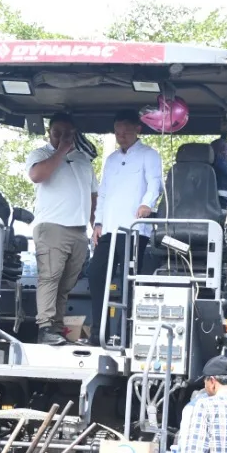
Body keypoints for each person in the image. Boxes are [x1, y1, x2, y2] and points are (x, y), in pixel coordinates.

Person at [88, 110, 163, 345]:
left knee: (130, 281)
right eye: (118, 132)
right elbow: (104, 192)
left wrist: (146, 204)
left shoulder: (149, 155)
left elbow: (155, 183)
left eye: (126, 131)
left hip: (134, 229)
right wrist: (97, 223)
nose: (121, 136)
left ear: (137, 129)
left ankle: (128, 334)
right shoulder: (110, 159)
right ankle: (99, 332)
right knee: (96, 273)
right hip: (109, 228)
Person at [26, 112, 97, 346]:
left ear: (75, 134)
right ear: (49, 133)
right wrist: (60, 151)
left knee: (68, 282)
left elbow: (93, 196)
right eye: (57, 133)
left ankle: (56, 328)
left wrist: (95, 225)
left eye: (67, 134)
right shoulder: (41, 154)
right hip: (52, 227)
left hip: (78, 231)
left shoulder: (84, 159)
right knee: (50, 277)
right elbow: (38, 175)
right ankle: (45, 326)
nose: (62, 137)